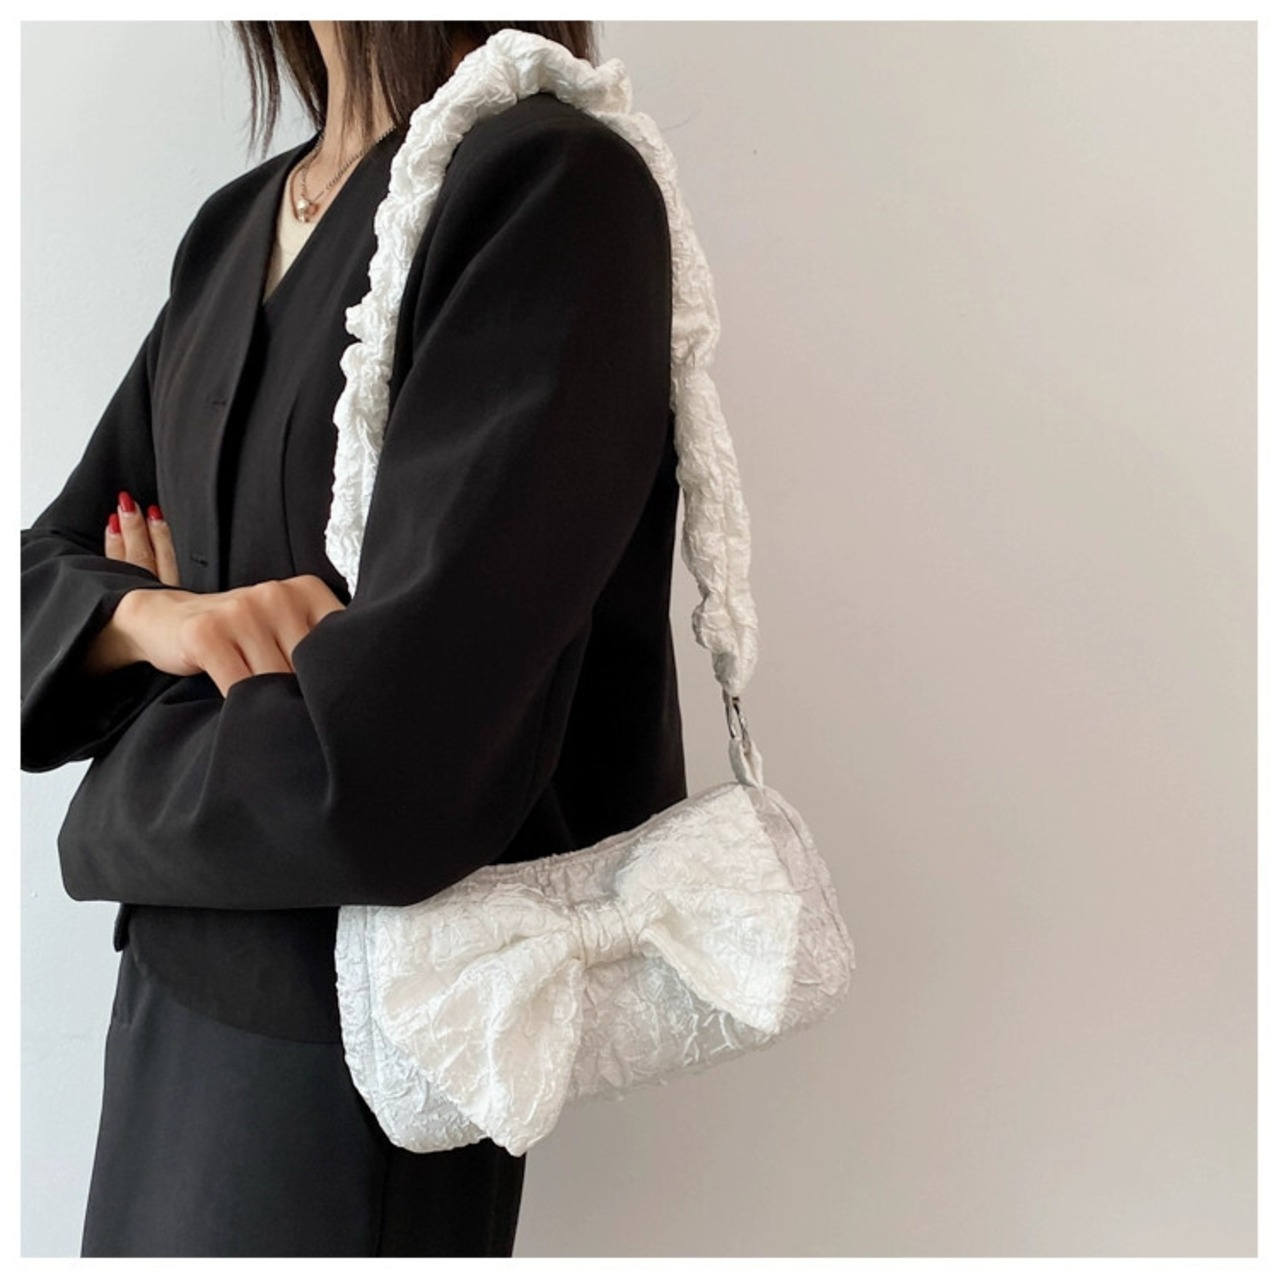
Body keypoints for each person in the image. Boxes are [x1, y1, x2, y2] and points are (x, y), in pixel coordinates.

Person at [20, 19, 687, 1256]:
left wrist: (107, 793)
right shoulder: (234, 227)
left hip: (360, 1055)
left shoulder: (546, 186)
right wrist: (159, 618)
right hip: (161, 1000)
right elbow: (38, 583)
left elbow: (397, 765)